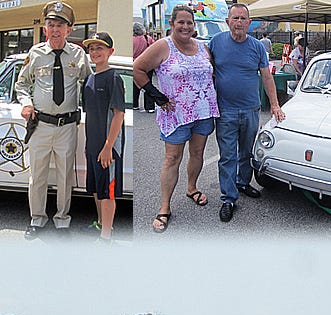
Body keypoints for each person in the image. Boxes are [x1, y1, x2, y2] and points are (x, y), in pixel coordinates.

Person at [134, 5, 219, 233]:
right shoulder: (163, 46)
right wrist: (158, 97)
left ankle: (191, 188)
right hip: (175, 114)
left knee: (198, 153)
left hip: (203, 112)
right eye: (180, 22)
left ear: (194, 26)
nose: (185, 26)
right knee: (172, 159)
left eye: (189, 23)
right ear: (172, 24)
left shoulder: (202, 47)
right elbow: (138, 69)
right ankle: (164, 208)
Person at [15, 1, 91, 240]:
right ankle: (37, 219)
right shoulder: (35, 54)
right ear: (45, 28)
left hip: (67, 126)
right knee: (37, 176)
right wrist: (26, 103)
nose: (55, 29)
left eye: (60, 25)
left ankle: (62, 221)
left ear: (69, 30)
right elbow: (21, 84)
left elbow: (88, 85)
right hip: (41, 125)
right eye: (51, 24)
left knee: (64, 177)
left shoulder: (79, 54)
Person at [209, 3, 285, 223]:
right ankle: (229, 198)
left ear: (249, 23)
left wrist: (274, 105)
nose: (239, 22)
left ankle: (242, 183)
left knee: (247, 152)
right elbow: (203, 71)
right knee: (227, 156)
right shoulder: (216, 43)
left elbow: (267, 76)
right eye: (235, 18)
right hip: (225, 110)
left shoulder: (257, 47)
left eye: (243, 19)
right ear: (227, 22)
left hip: (251, 109)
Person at [82, 32, 125, 243]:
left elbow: (118, 114)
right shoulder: (90, 78)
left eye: (100, 48)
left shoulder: (113, 78)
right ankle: (100, 223)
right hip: (92, 145)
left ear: (110, 52)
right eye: (91, 48)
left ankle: (106, 236)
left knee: (108, 192)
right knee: (97, 189)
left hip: (108, 147)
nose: (95, 52)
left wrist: (109, 146)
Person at [133, 23, 155, 113]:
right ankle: (150, 107)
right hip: (147, 64)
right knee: (147, 84)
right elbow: (154, 50)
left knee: (135, 85)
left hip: (134, 64)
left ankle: (134, 104)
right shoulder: (147, 39)